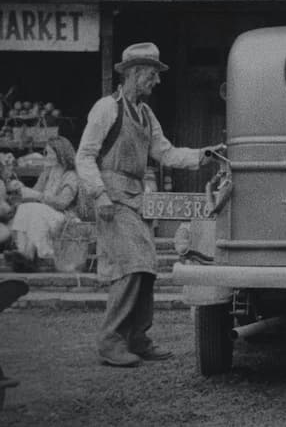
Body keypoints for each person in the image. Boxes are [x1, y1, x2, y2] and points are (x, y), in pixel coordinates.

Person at [76, 41, 223, 368]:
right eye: (153, 75)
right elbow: (84, 156)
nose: (157, 81)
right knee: (131, 265)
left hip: (136, 196)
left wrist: (205, 154)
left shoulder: (144, 112)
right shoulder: (106, 108)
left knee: (147, 266)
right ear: (135, 73)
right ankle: (111, 340)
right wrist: (98, 194)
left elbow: (166, 153)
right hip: (111, 196)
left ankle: (137, 338)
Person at [4, 136, 80, 272]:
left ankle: (27, 254)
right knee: (25, 207)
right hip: (44, 214)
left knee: (36, 209)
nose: (47, 156)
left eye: (50, 152)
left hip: (64, 217)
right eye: (46, 152)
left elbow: (63, 203)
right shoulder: (47, 173)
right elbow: (34, 195)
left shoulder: (71, 175)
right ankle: (23, 251)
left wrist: (38, 196)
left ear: (60, 154)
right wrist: (21, 188)